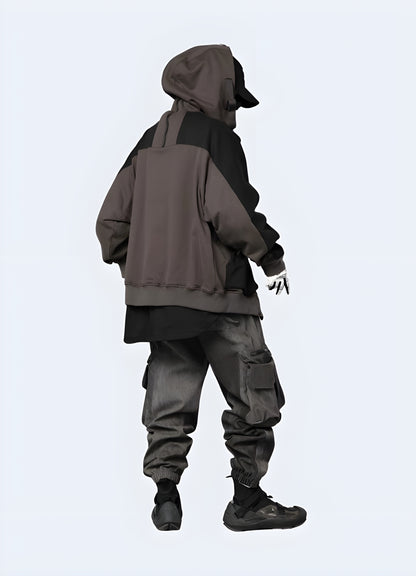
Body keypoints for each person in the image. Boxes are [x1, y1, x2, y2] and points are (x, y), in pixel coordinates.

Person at [95, 43, 307, 532]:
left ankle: (165, 496)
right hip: (221, 294)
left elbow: (110, 224)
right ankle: (247, 501)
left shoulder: (148, 141)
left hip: (158, 303)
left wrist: (145, 269)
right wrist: (271, 257)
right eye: (234, 100)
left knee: (168, 396)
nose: (235, 111)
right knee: (255, 392)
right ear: (220, 91)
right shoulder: (217, 139)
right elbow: (233, 212)